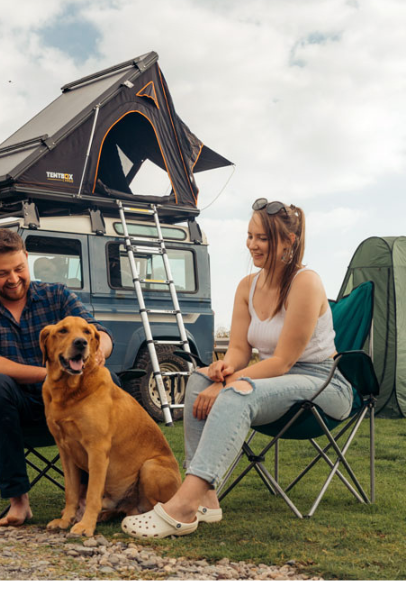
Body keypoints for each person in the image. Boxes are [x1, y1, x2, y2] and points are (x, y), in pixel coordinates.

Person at [121, 198, 353, 538]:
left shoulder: (306, 282)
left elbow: (283, 361)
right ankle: (207, 499)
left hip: (323, 384)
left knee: (238, 392)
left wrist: (229, 383)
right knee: (199, 378)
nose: (253, 245)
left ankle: (183, 506)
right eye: (250, 236)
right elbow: (240, 350)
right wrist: (222, 369)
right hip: (278, 382)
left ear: (288, 242)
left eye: (263, 239)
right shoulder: (247, 286)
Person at [0, 228, 113, 527]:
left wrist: (98, 350)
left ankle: (86, 499)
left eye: (19, 268)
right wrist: (54, 374)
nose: (13, 279)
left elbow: (98, 331)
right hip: (13, 414)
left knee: (102, 381)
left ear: (27, 259)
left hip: (71, 410)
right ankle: (19, 501)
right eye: (2, 273)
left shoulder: (58, 296)